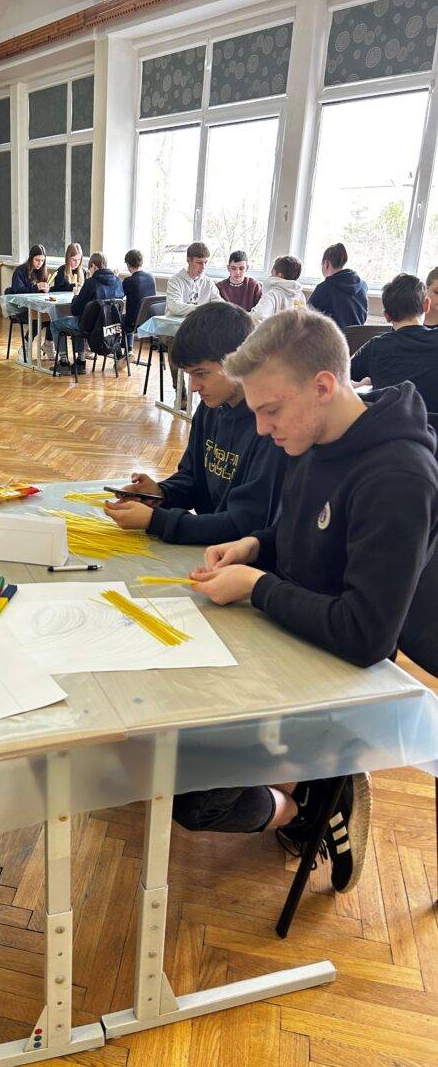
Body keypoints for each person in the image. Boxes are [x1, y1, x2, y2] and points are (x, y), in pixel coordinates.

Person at [190, 308, 438, 892]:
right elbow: (301, 532)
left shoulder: (399, 476)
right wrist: (255, 545)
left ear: (323, 386)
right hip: (288, 643)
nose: (261, 429)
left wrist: (256, 586)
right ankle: (312, 786)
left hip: (340, 676)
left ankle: (313, 805)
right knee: (172, 739)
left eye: (270, 410)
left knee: (195, 794)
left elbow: (365, 637)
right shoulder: (313, 436)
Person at [104, 302, 285, 543]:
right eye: (190, 375)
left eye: (201, 374)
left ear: (240, 361)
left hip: (242, 555)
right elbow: (192, 477)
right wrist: (161, 493)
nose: (194, 387)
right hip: (209, 546)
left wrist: (156, 521)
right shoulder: (210, 408)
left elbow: (245, 525)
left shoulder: (272, 428)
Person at [351, 274, 438, 412]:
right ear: (426, 305)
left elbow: (341, 373)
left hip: (390, 423)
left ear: (387, 316)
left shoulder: (375, 347)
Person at [49, 252, 123, 374]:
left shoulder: (91, 283)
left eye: (90, 269)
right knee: (82, 319)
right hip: (110, 327)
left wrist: (75, 297)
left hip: (91, 327)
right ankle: (80, 361)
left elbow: (75, 310)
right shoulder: (118, 281)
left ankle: (63, 362)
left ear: (93, 266)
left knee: (54, 324)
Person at [308, 243, 368, 329]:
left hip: (333, 337)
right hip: (358, 337)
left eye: (322, 264)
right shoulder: (363, 286)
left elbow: (306, 317)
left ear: (326, 263)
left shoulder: (324, 288)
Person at [164, 242, 222, 316]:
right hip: (176, 322)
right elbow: (174, 307)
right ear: (189, 260)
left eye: (205, 262)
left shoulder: (208, 282)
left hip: (198, 322)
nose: (203, 267)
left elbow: (219, 305)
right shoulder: (175, 281)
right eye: (199, 263)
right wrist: (203, 309)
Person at [121, 248, 157, 351]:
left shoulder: (129, 281)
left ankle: (122, 351)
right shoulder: (151, 277)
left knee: (116, 319)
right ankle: (129, 350)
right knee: (131, 316)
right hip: (149, 321)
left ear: (128, 264)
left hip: (133, 324)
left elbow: (118, 295)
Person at [251, 256, 305, 321]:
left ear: (280, 275)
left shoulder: (272, 294)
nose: (270, 276)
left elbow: (258, 316)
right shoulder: (300, 295)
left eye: (272, 274)